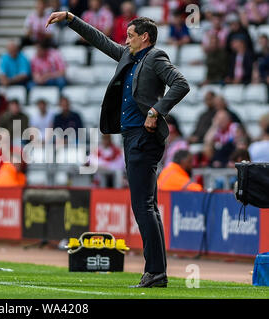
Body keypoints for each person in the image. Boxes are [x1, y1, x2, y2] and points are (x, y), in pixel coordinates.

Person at [46, 12, 190, 288]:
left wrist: (156, 110)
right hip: (131, 136)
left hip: (143, 137)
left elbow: (181, 84)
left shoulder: (155, 57)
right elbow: (100, 40)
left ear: (145, 37)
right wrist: (71, 19)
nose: (126, 40)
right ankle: (157, 272)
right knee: (148, 206)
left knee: (143, 206)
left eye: (131, 35)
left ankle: (156, 272)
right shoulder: (129, 56)